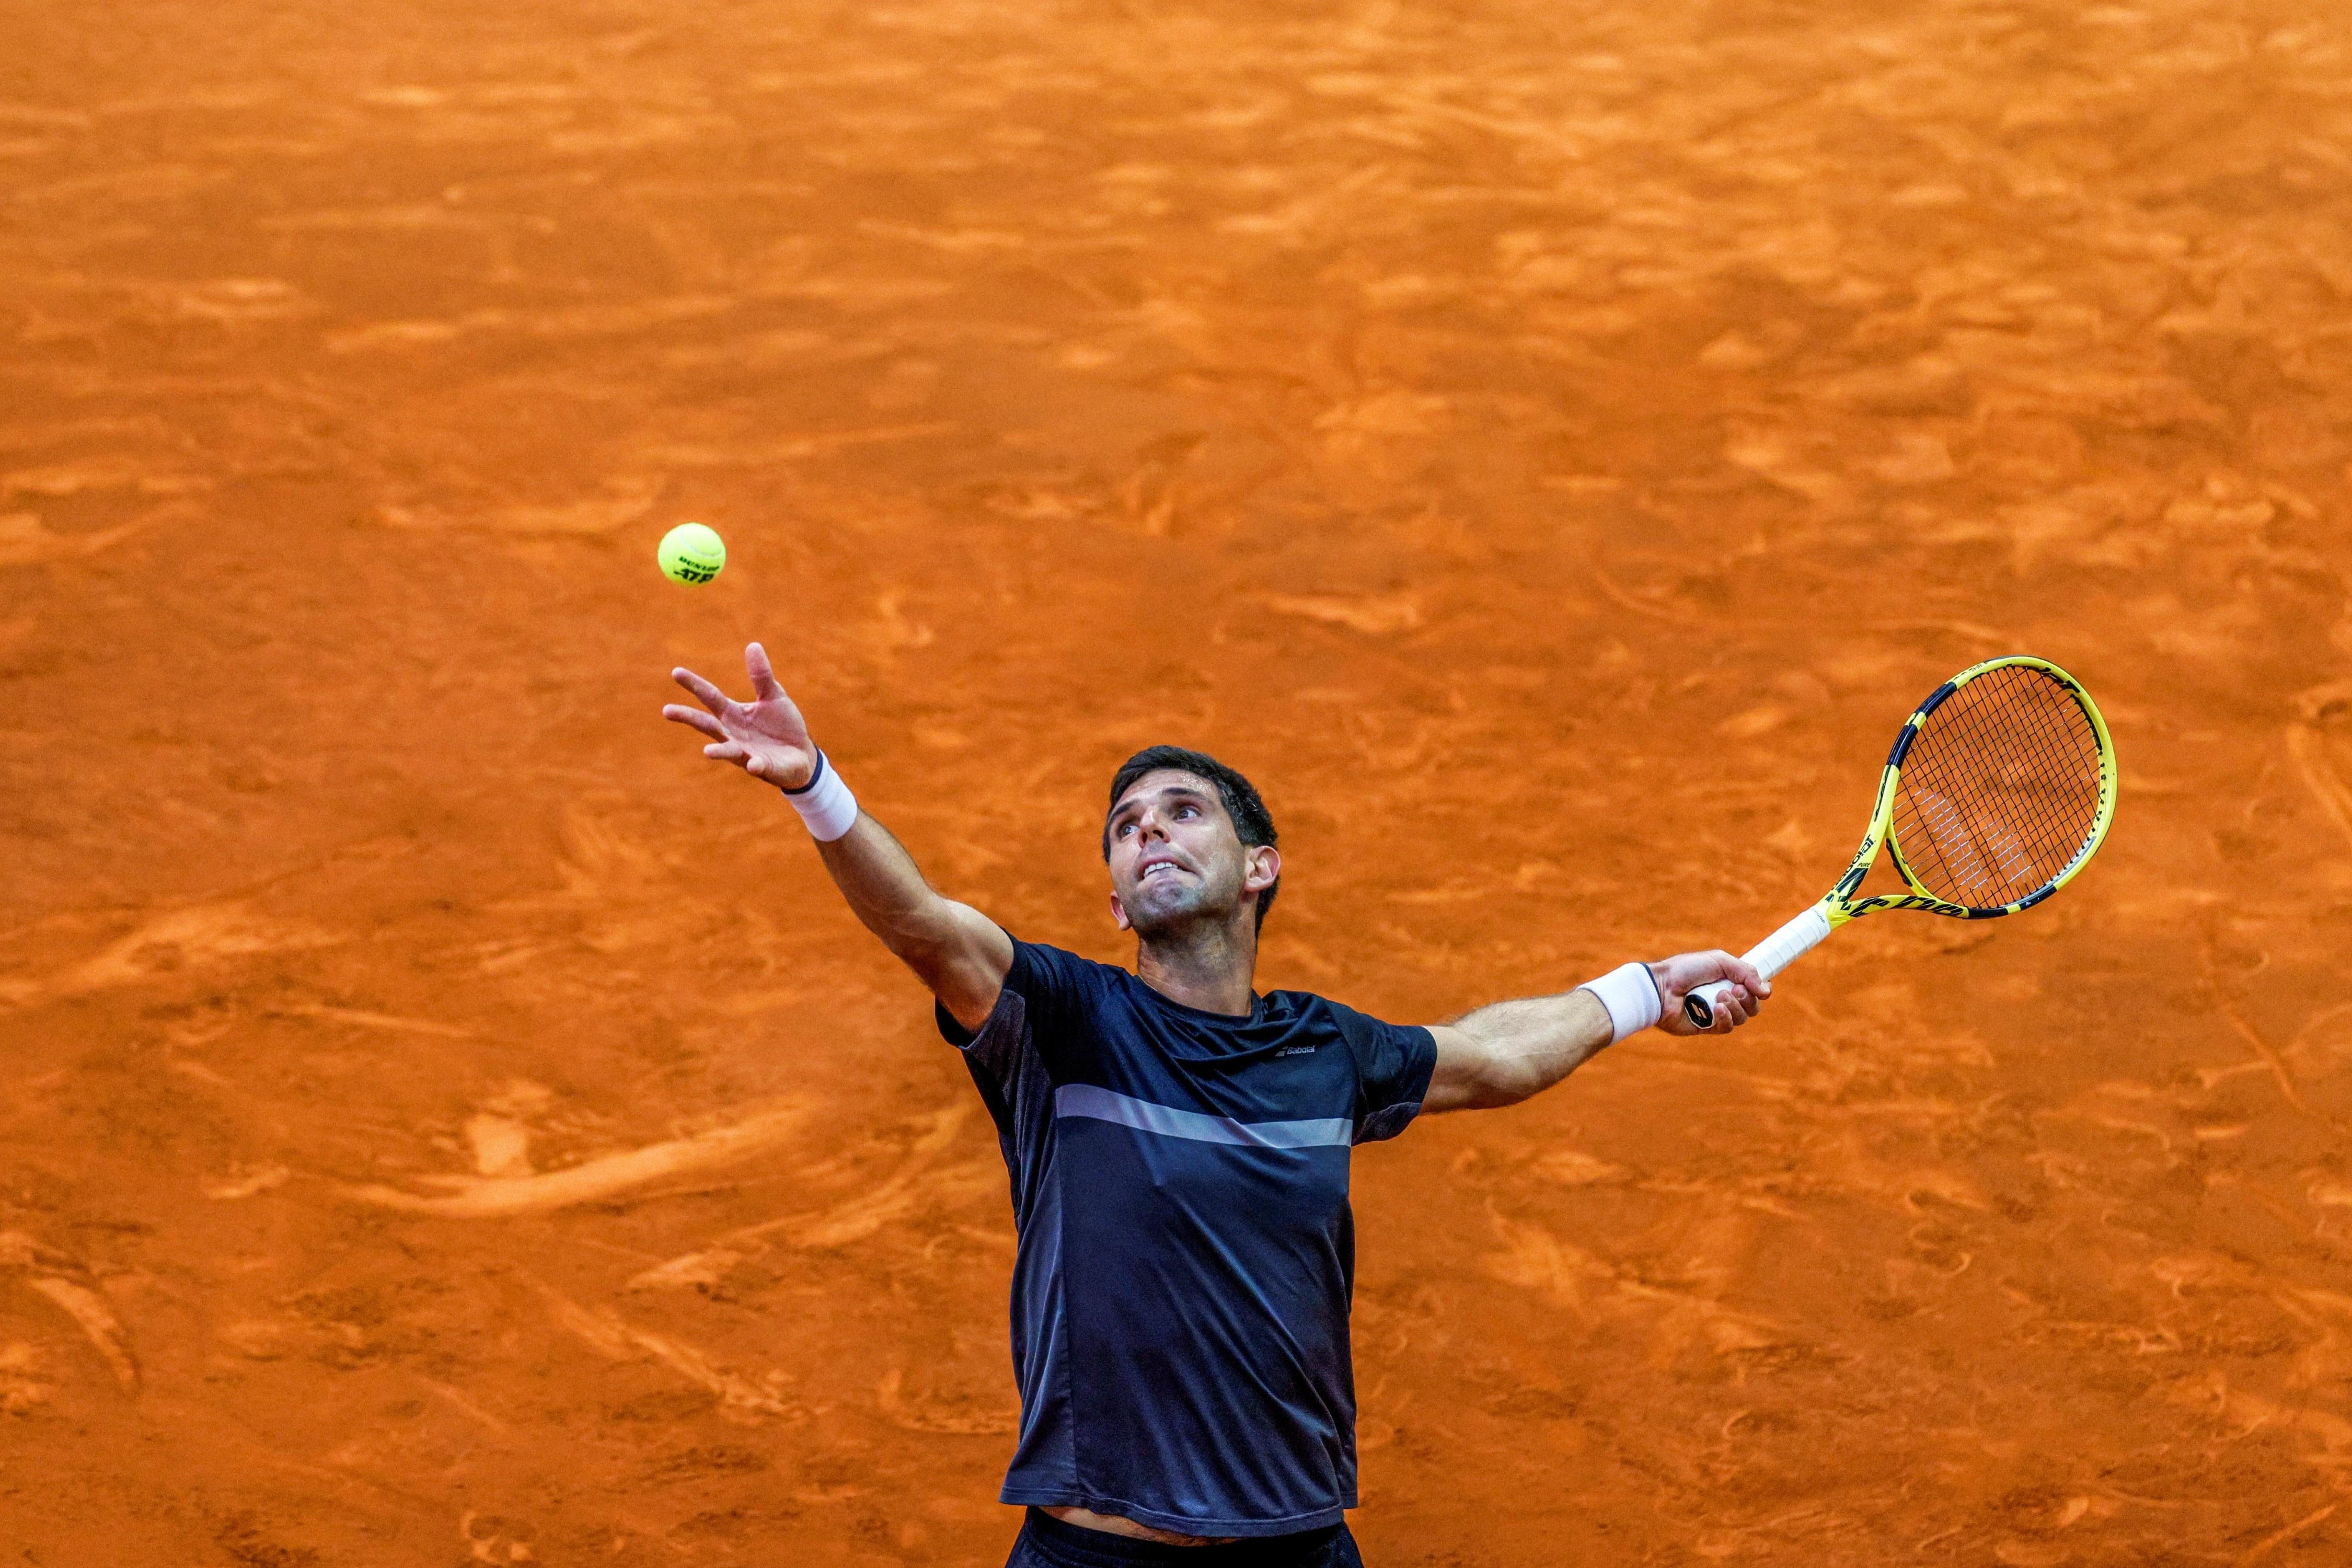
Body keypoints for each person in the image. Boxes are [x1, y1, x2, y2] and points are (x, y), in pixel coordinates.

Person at [663, 643, 1768, 1566]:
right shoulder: (1064, 1023)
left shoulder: (1322, 1050)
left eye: (1184, 813)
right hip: (1095, 1547)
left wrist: (1639, 994)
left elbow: (1491, 1057)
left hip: (1294, 1542)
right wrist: (817, 787)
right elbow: (923, 926)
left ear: (1259, 869)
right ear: (1114, 899)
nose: (1150, 830)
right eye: (1128, 824)